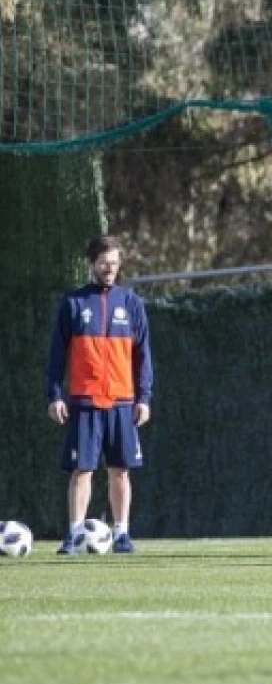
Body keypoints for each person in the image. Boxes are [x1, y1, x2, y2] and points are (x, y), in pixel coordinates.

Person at [47, 235, 153, 555]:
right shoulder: (74, 303)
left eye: (114, 263)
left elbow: (143, 355)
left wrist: (144, 398)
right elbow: (56, 354)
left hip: (122, 401)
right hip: (84, 400)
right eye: (104, 263)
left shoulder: (131, 303)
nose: (109, 269)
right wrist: (54, 394)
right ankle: (76, 535)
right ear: (91, 263)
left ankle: (122, 533)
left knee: (120, 470)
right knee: (83, 471)